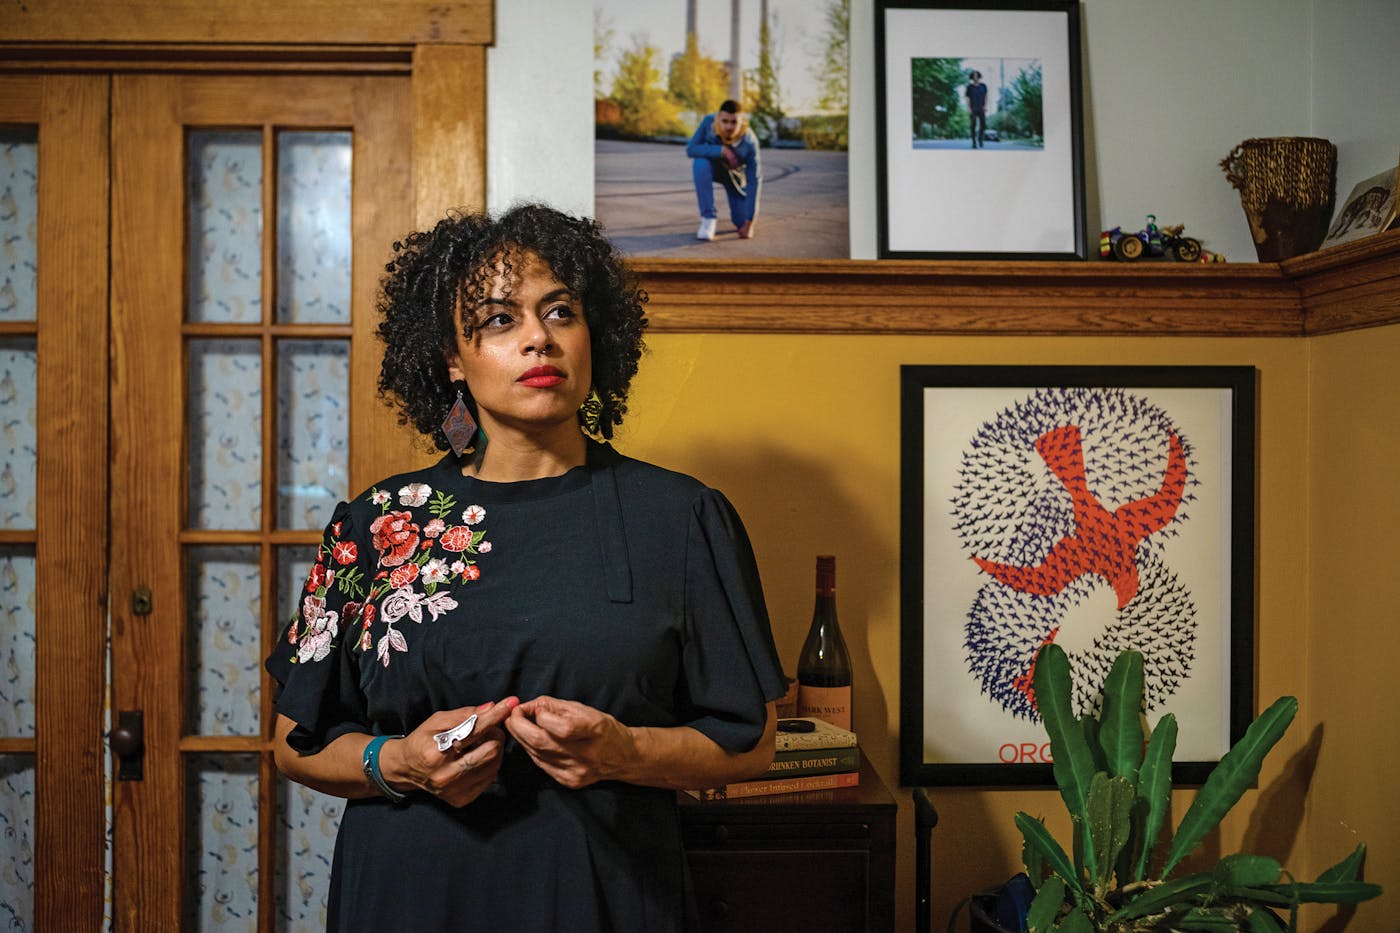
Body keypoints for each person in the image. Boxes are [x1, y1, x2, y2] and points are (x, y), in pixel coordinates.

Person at [265, 203, 786, 931]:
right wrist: (402, 761)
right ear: (452, 355)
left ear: (593, 333)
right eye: (500, 319)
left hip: (604, 894)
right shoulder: (375, 524)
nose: (539, 338)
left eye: (560, 311)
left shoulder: (685, 518)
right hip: (410, 898)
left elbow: (751, 740)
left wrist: (625, 751)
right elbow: (296, 743)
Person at [685, 99, 761, 241]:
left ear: (742, 122)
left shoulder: (750, 142)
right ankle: (708, 219)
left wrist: (750, 222)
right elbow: (691, 149)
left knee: (740, 223)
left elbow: (754, 182)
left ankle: (743, 216)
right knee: (700, 162)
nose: (728, 126)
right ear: (718, 118)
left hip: (735, 178)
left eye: (734, 122)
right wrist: (721, 150)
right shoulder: (708, 122)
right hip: (712, 168)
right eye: (724, 121)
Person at [965, 71, 988, 149]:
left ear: (979, 76)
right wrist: (968, 108)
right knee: (973, 125)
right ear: (972, 77)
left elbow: (986, 96)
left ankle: (980, 139)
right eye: (974, 76)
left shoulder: (983, 86)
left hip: (981, 107)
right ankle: (974, 142)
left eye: (977, 76)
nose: (975, 77)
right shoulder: (969, 87)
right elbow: (967, 98)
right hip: (973, 108)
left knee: (983, 124)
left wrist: (985, 106)